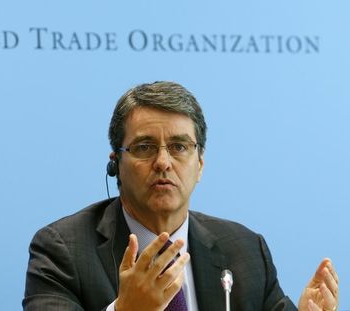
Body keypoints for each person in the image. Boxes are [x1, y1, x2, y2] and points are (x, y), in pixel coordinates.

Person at [23, 81, 339, 311]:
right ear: (116, 164)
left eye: (179, 147)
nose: (163, 162)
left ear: (199, 165)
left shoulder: (245, 250)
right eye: (144, 147)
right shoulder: (63, 250)